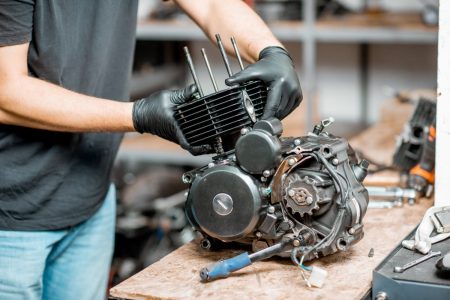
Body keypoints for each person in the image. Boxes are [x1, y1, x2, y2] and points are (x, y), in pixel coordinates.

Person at [0, 0, 302, 299]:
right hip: (13, 220)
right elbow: (6, 90)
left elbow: (210, 5)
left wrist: (271, 50)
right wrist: (137, 115)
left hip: (91, 196)